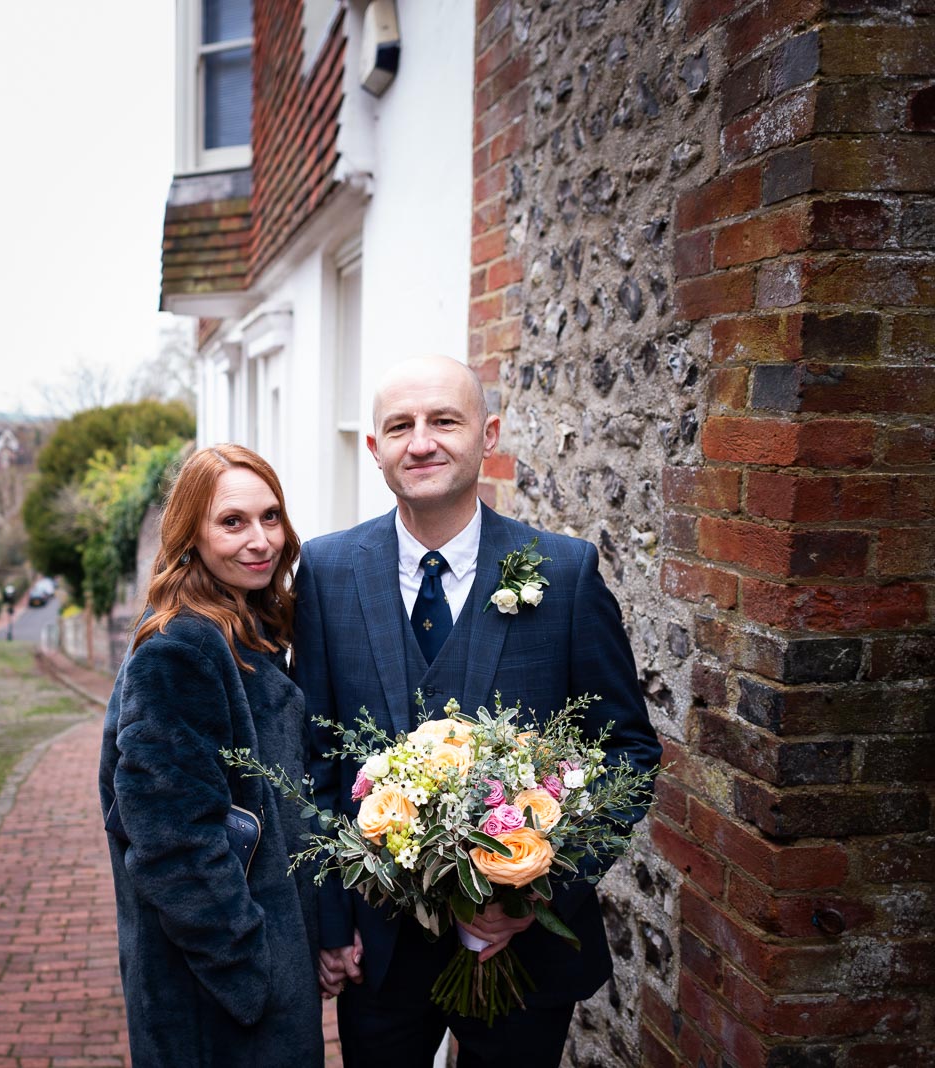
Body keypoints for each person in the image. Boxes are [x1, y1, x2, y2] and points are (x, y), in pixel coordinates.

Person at [293, 356, 662, 1068]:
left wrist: (535, 892)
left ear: (487, 434)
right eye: (399, 426)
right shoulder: (327, 571)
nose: (421, 442)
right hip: (379, 955)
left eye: (444, 421)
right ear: (375, 450)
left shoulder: (563, 572)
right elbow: (313, 757)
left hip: (523, 957)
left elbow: (628, 750)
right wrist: (331, 923)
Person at [98, 444, 323, 1067]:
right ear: (190, 536)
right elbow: (172, 838)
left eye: (270, 517)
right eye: (233, 522)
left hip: (251, 973)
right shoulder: (183, 647)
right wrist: (251, 968)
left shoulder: (245, 624)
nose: (261, 540)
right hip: (212, 997)